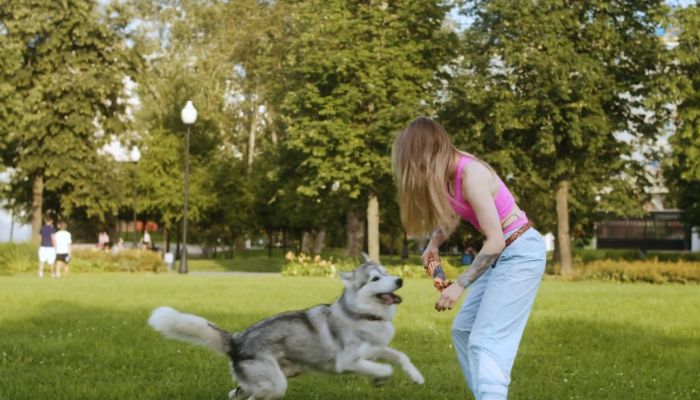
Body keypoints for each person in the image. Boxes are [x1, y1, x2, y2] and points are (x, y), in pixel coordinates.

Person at [391, 117, 546, 400]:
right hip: (502, 254)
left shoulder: (470, 173)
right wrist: (433, 244)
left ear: (429, 153)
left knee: (486, 340)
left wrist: (459, 285)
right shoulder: (449, 177)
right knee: (463, 331)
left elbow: (496, 240)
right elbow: (454, 214)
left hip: (520, 253)